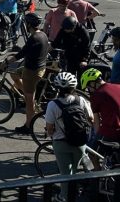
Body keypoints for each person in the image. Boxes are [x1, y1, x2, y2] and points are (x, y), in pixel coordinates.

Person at [44, 72, 93, 202]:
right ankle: (84, 186)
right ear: (74, 87)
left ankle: (63, 197)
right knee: (76, 168)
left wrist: (50, 133)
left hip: (61, 143)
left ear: (57, 88)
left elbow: (49, 128)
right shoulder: (81, 100)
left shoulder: (52, 105)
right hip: (80, 141)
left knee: (65, 173)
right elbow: (91, 118)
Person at [3, 13, 49, 134]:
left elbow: (20, 54)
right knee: (14, 73)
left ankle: (28, 125)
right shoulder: (43, 34)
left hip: (32, 71)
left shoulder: (33, 38)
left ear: (28, 25)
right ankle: (25, 92)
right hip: (40, 68)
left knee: (29, 100)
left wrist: (6, 62)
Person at [80, 68, 120, 144]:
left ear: (92, 83)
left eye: (88, 87)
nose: (89, 90)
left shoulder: (96, 95)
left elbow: (96, 124)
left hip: (112, 133)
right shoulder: (118, 86)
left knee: (90, 149)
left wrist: (95, 138)